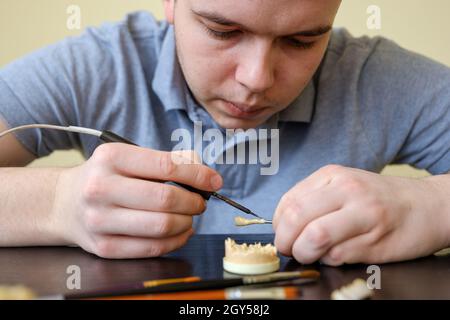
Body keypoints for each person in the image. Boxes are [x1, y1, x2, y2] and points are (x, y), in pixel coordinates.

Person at [0, 0, 449, 266]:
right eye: (222, 30)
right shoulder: (99, 66)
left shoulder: (374, 77)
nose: (256, 78)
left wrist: (429, 207)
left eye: (302, 41)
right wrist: (57, 203)